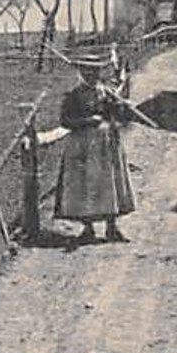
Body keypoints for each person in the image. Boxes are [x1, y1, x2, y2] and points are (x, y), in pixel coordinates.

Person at [54, 59, 137, 244]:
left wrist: (122, 107)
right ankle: (88, 229)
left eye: (95, 71)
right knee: (85, 185)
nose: (91, 75)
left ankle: (112, 228)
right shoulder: (73, 96)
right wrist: (86, 120)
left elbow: (116, 115)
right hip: (82, 145)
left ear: (100, 73)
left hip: (106, 144)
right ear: (81, 73)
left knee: (109, 184)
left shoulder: (105, 92)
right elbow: (65, 121)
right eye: (87, 71)